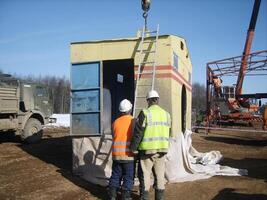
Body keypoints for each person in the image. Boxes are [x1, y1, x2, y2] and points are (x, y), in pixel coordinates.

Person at [130, 90, 171, 200]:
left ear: (148, 101)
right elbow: (169, 133)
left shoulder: (145, 113)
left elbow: (138, 132)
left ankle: (144, 198)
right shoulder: (166, 114)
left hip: (147, 151)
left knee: (145, 175)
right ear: (158, 100)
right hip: (162, 150)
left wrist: (133, 148)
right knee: (160, 176)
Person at [108, 99, 135, 200]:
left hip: (116, 155)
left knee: (115, 175)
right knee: (128, 177)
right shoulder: (133, 121)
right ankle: (126, 196)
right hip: (128, 155)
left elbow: (114, 136)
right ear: (130, 109)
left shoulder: (115, 122)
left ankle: (112, 195)